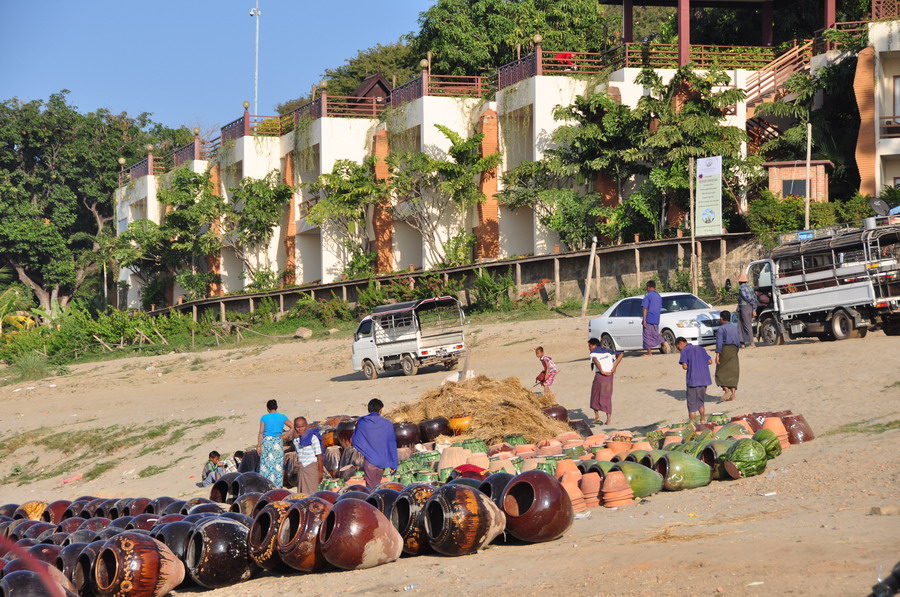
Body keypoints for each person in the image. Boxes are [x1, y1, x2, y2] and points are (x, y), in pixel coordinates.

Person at [350, 398, 398, 490]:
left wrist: (365, 450)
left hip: (370, 462)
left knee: (371, 489)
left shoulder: (362, 422)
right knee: (377, 486)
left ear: (369, 410)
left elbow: (354, 440)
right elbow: (392, 444)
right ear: (380, 410)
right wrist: (394, 464)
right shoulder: (387, 423)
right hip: (383, 462)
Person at [675, 337, 712, 422]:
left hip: (693, 380)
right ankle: (703, 420)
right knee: (700, 402)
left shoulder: (684, 351)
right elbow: (710, 361)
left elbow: (685, 366)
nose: (679, 349)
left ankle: (693, 424)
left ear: (681, 343)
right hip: (704, 379)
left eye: (678, 347)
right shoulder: (701, 348)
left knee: (691, 405)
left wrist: (692, 365)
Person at [587, 337, 623, 426]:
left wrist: (601, 371)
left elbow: (595, 360)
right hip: (610, 376)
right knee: (607, 396)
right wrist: (614, 367)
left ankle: (597, 416)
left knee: (595, 395)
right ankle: (608, 419)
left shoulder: (593, 353)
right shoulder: (608, 351)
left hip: (600, 376)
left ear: (594, 345)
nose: (589, 348)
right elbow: (621, 354)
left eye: (589, 346)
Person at [258, 399, 291, 486]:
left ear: (267, 408)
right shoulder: (282, 417)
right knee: (277, 464)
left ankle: (266, 484)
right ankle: (278, 485)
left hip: (267, 442)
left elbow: (261, 432)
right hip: (277, 442)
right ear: (276, 407)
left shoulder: (264, 418)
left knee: (266, 464)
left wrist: (259, 446)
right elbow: (292, 426)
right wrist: (286, 436)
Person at [290, 417, 324, 494]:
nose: (300, 429)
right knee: (302, 493)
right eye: (298, 427)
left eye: (302, 426)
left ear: (307, 426)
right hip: (301, 469)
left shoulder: (313, 438)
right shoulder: (296, 441)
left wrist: (320, 473)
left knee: (312, 492)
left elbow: (319, 457)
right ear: (294, 427)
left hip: (311, 468)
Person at [714, 310, 741, 402]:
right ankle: (733, 396)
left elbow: (719, 343)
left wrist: (717, 355)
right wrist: (736, 350)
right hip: (734, 350)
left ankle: (726, 390)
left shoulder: (721, 329)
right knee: (733, 372)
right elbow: (738, 341)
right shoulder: (734, 327)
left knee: (720, 371)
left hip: (725, 350)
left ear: (721, 318)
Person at [641, 280, 669, 356]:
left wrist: (644, 320)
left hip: (649, 317)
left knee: (647, 335)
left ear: (648, 287)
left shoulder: (647, 296)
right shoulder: (658, 296)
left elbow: (645, 308)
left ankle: (649, 352)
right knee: (654, 333)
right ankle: (663, 342)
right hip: (656, 318)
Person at [737, 272, 758, 348]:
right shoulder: (750, 288)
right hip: (749, 307)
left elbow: (746, 298)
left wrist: (751, 303)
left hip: (744, 307)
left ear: (740, 281)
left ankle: (751, 343)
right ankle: (742, 342)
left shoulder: (741, 289)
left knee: (745, 325)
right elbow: (755, 299)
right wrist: (754, 309)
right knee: (744, 324)